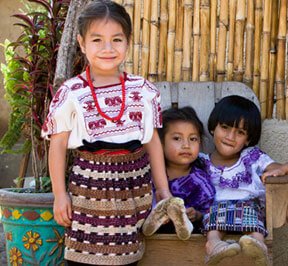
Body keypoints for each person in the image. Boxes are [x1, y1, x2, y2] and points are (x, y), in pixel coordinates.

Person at [41, 1, 171, 265]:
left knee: (128, 256)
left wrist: (163, 191)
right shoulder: (72, 92)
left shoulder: (142, 90)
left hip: (133, 187)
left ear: (128, 41)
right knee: (85, 256)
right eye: (97, 39)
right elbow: (58, 145)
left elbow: (152, 143)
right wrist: (59, 195)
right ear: (81, 42)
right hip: (90, 189)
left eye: (117, 39)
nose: (108, 49)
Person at [201, 95, 288, 265]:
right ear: (213, 128)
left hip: (249, 208)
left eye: (240, 132)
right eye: (225, 127)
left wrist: (281, 169)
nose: (230, 136)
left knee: (254, 223)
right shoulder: (200, 161)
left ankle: (258, 247)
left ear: (248, 139)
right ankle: (214, 245)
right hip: (214, 211)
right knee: (212, 218)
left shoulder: (252, 157)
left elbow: (280, 167)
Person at [142, 107, 215, 240]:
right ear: (160, 144)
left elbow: (208, 210)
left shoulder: (199, 180)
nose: (186, 145)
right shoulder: (148, 174)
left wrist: (197, 214)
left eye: (193, 139)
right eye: (177, 138)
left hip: (188, 237)